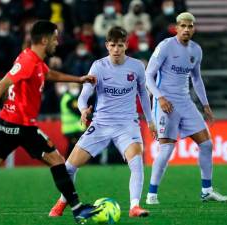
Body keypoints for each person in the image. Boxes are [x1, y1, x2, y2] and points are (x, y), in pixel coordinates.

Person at [0, 20, 100, 225]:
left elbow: (49, 74)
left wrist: (78, 79)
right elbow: (2, 83)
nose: (57, 42)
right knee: (57, 160)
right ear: (44, 40)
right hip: (22, 125)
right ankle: (77, 209)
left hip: (7, 123)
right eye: (54, 38)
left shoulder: (34, 61)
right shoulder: (28, 62)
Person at [48, 26, 156, 218]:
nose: (116, 49)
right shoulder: (98, 66)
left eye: (120, 45)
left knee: (137, 162)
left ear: (126, 45)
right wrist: (83, 110)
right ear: (107, 45)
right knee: (69, 167)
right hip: (101, 123)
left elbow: (143, 95)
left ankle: (134, 206)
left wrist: (150, 121)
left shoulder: (137, 66)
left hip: (127, 124)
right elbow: (84, 96)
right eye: (113, 45)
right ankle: (63, 201)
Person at [144, 12, 227, 204]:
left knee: (207, 144)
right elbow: (148, 76)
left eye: (190, 26)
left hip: (185, 102)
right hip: (166, 104)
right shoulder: (165, 46)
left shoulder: (196, 50)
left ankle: (207, 191)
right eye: (183, 26)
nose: (186, 29)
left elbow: (197, 79)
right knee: (166, 149)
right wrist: (160, 98)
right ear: (176, 28)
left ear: (194, 28)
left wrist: (205, 105)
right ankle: (151, 195)